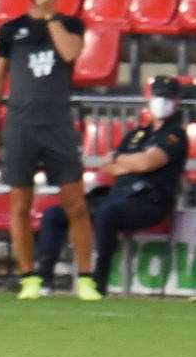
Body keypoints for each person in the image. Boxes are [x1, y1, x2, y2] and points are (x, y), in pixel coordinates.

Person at [0, 0, 101, 301]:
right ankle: (29, 277)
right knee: (20, 204)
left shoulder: (71, 24)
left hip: (58, 125)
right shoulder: (11, 30)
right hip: (21, 125)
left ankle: (85, 278)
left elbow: (70, 52)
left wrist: (50, 18)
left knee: (75, 204)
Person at [33, 77, 189, 297]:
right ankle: (44, 277)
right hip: (118, 195)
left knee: (108, 212)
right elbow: (109, 165)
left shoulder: (175, 135)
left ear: (176, 102)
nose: (161, 101)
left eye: (167, 97)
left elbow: (147, 163)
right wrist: (131, 162)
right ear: (149, 97)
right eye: (158, 96)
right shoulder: (137, 134)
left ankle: (100, 278)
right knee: (55, 213)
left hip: (150, 201)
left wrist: (123, 161)